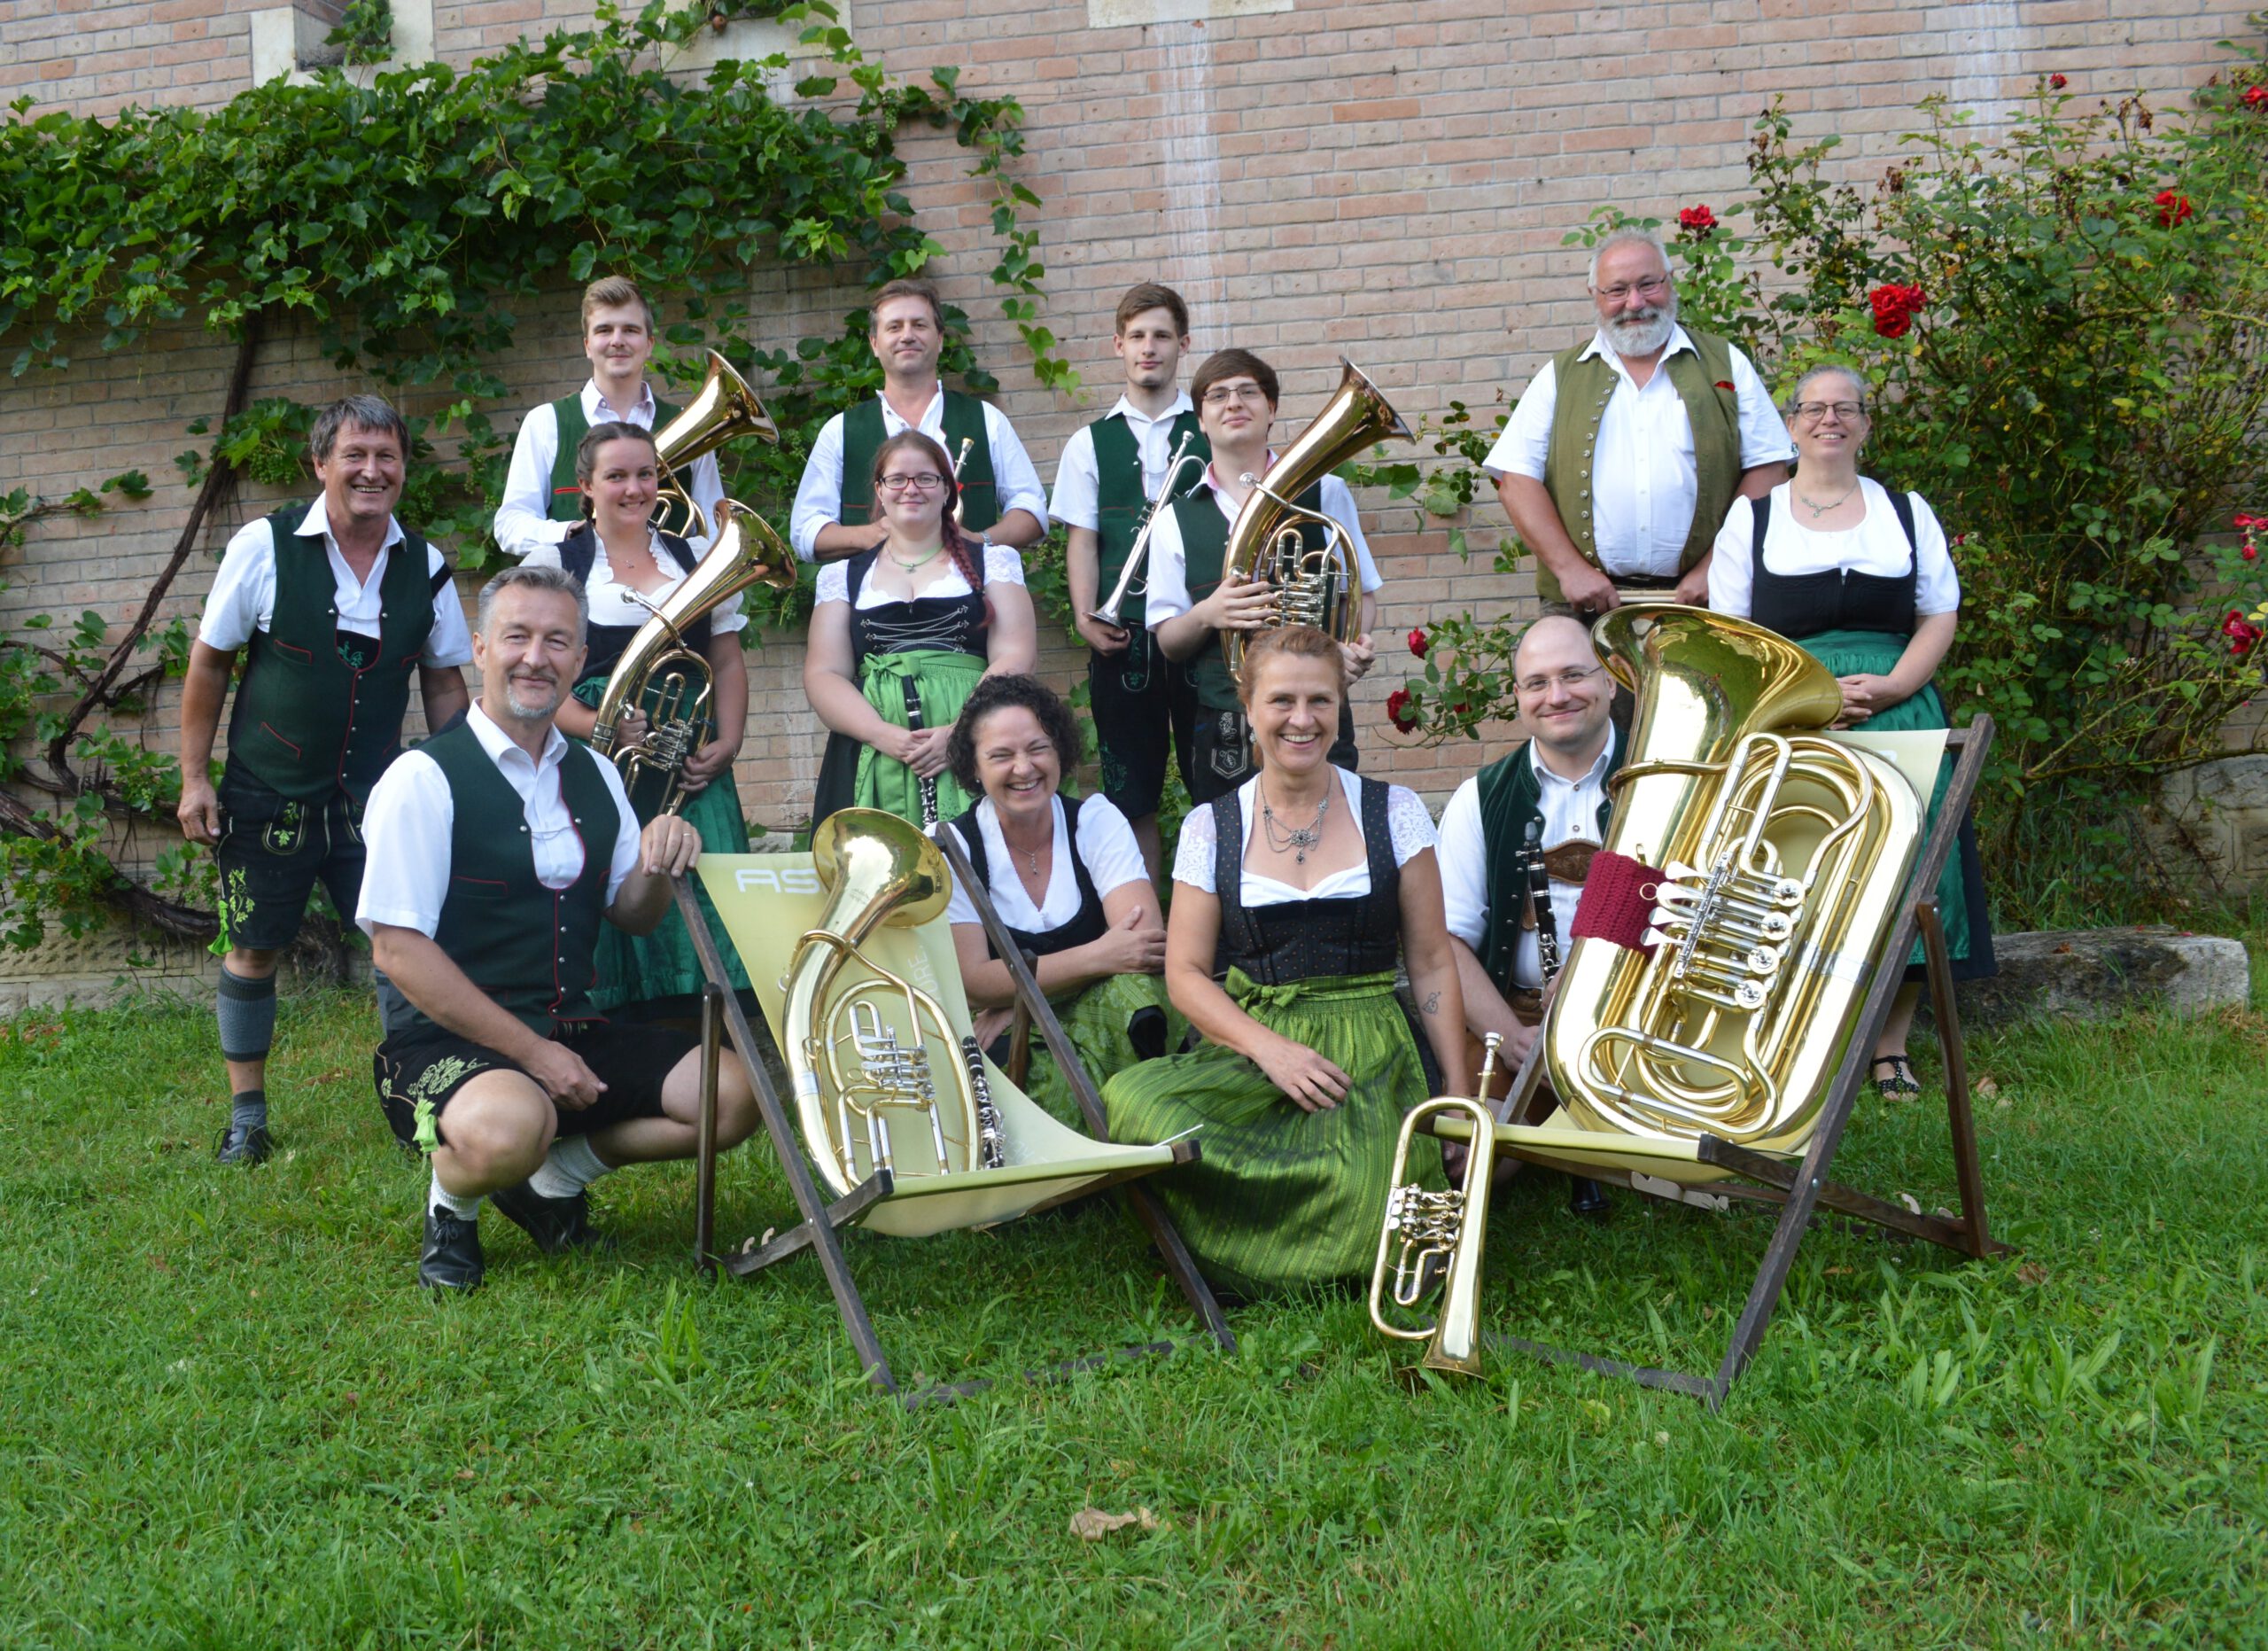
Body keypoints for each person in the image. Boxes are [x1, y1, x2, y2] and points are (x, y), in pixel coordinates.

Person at [358, 565, 761, 1289]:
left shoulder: (598, 774)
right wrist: (535, 1059)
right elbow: (398, 950)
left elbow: (630, 917)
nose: (535, 657)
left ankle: (551, 1183)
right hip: (443, 1042)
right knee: (514, 1123)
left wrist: (657, 860)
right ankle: (453, 1209)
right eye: (516, 636)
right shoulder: (420, 779)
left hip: (572, 1025)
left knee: (733, 1096)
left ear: (581, 661)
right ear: (479, 649)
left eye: (558, 641)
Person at [1104, 626, 1465, 1297]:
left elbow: (1433, 963)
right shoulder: (1212, 825)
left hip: (1369, 1044)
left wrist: (1458, 1095)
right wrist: (1271, 1050)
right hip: (1251, 1042)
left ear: (1340, 707)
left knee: (1361, 1192)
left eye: (1320, 701)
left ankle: (1299, 1245)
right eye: (1282, 701)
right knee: (1135, 1103)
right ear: (1248, 707)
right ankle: (1247, 1239)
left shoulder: (1396, 812)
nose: (1302, 720)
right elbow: (1184, 973)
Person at [176, 393, 472, 1166]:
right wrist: (193, 777)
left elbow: (444, 683)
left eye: (387, 457)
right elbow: (209, 663)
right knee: (252, 948)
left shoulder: (428, 566)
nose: (372, 471)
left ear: (404, 469)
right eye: (355, 455)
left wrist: (458, 781)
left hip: (379, 796)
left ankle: (419, 1104)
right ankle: (247, 1115)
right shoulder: (264, 547)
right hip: (265, 786)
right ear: (321, 464)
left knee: (402, 943)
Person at [1707, 361, 1996, 1098]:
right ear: (1792, 423)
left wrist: (1900, 682)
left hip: (1901, 709)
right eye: (1812, 408)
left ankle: (1890, 1046)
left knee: (1908, 872)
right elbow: (1732, 633)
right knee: (1800, 872)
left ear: (1866, 423)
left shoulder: (1905, 509)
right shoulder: (1754, 516)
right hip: (1798, 714)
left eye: (1845, 407)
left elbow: (1940, 613)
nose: (1828, 419)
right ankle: (1796, 1043)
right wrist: (1810, 696)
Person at [538, 421, 752, 1016]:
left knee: (703, 882)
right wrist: (598, 725)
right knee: (611, 872)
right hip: (598, 760)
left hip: (688, 754)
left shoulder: (696, 557)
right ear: (585, 485)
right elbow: (535, 671)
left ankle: (712, 1018)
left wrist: (729, 741)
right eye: (616, 476)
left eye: (646, 474)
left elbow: (727, 661)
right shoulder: (556, 560)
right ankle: (615, 1019)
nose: (634, 488)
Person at [1484, 227, 1792, 616]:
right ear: (1595, 296)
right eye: (1617, 290)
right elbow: (1515, 479)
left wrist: (1716, 565)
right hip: (1585, 606)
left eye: (1648, 284)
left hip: (1709, 599)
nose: (1635, 302)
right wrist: (1570, 570)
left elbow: (1769, 468)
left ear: (1670, 283)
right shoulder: (1560, 374)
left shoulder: (1726, 363)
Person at [1434, 613, 1621, 1212]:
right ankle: (1569, 1139)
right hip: (1518, 1022)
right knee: (1468, 1165)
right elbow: (1446, 944)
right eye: (1536, 682)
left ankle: (1592, 1139)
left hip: (1632, 1023)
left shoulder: (1667, 780)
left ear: (1612, 680)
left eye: (1574, 675)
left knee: (1685, 1165)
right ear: (1518, 698)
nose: (1557, 695)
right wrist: (1509, 1037)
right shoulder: (1481, 798)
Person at [1142, 349, 1383, 806]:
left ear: (1271, 409)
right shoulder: (1175, 519)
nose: (1234, 403)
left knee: (1333, 828)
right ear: (1201, 419)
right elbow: (1169, 642)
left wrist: (1346, 647)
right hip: (1226, 719)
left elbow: (1362, 597)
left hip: (1313, 708)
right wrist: (1209, 613)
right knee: (1231, 852)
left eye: (1248, 392)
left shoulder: (1325, 491)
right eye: (1218, 395)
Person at [937, 674, 1177, 1127]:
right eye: (1001, 756)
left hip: (1057, 1016)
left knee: (1140, 999)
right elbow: (976, 982)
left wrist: (1017, 998)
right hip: (1013, 1037)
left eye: (1037, 748)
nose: (1024, 768)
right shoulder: (955, 848)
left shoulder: (1095, 821)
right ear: (973, 768)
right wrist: (1098, 955)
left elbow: (1143, 946)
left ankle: (1134, 1129)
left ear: (1060, 750)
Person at [1052, 282, 1209, 879]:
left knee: (1216, 783)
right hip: (1123, 639)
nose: (1150, 347)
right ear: (1118, 345)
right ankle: (1146, 926)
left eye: (1162, 335)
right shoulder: (1087, 443)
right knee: (1130, 791)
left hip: (1201, 631)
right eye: (1137, 336)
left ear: (1183, 344)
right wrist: (1085, 613)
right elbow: (1083, 538)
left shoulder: (1210, 430)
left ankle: (1217, 924)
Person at [804, 430, 1038, 829]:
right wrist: (881, 734)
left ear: (948, 489)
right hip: (875, 752)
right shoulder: (840, 576)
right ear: (880, 491)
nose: (910, 489)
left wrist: (962, 733)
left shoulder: (994, 563)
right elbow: (823, 674)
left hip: (978, 741)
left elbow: (1016, 655)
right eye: (897, 479)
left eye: (926, 478)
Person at [788, 276, 1048, 565]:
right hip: (873, 603)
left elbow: (1032, 510)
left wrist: (980, 541)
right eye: (894, 327)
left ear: (939, 340)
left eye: (919, 325)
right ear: (875, 344)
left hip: (971, 600)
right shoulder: (839, 432)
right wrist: (872, 535)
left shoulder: (987, 420)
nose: (907, 335)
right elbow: (805, 532)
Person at [493, 275, 726, 562]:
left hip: (671, 598)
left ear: (649, 343)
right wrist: (570, 532)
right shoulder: (545, 423)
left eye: (630, 330)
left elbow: (715, 532)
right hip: (577, 601)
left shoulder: (691, 424)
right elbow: (510, 524)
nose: (617, 341)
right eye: (604, 330)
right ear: (588, 345)